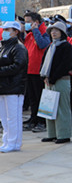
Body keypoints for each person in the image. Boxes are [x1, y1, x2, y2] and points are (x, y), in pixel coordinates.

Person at [39, 21, 72, 144]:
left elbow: (65, 65)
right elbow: (44, 62)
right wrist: (44, 76)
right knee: (49, 107)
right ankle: (52, 133)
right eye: (52, 31)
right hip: (48, 81)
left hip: (60, 81)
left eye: (57, 31)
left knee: (61, 108)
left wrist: (53, 77)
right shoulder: (50, 46)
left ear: (62, 33)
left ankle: (63, 134)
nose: (53, 33)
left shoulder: (66, 46)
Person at [0, 21, 28, 152]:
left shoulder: (19, 48)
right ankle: (6, 141)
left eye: (7, 29)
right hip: (3, 87)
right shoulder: (4, 47)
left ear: (16, 31)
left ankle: (14, 142)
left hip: (14, 87)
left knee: (13, 117)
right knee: (4, 118)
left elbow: (18, 66)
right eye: (4, 29)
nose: (4, 32)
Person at [22, 11, 49, 133]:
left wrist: (36, 30)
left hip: (39, 71)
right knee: (32, 98)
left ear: (36, 22)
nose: (26, 24)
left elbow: (42, 45)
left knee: (40, 97)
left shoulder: (44, 32)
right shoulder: (29, 34)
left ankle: (42, 121)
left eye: (29, 22)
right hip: (29, 70)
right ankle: (33, 118)